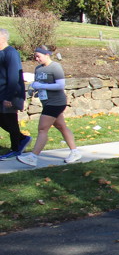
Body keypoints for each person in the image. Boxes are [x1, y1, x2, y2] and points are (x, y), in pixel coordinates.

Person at [17, 46, 82, 166]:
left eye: (38, 56)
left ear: (47, 55)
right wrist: (34, 89)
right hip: (47, 102)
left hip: (56, 102)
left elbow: (60, 85)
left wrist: (41, 86)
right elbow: (39, 84)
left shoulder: (55, 67)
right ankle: (75, 152)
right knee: (61, 126)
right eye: (35, 56)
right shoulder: (38, 69)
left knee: (42, 129)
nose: (36, 59)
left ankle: (33, 157)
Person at [0, 29, 31, 160]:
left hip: (11, 94)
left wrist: (9, 97)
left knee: (11, 121)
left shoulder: (11, 53)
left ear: (2, 38)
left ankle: (15, 149)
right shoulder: (2, 53)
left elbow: (13, 77)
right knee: (2, 120)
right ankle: (22, 138)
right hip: (2, 93)